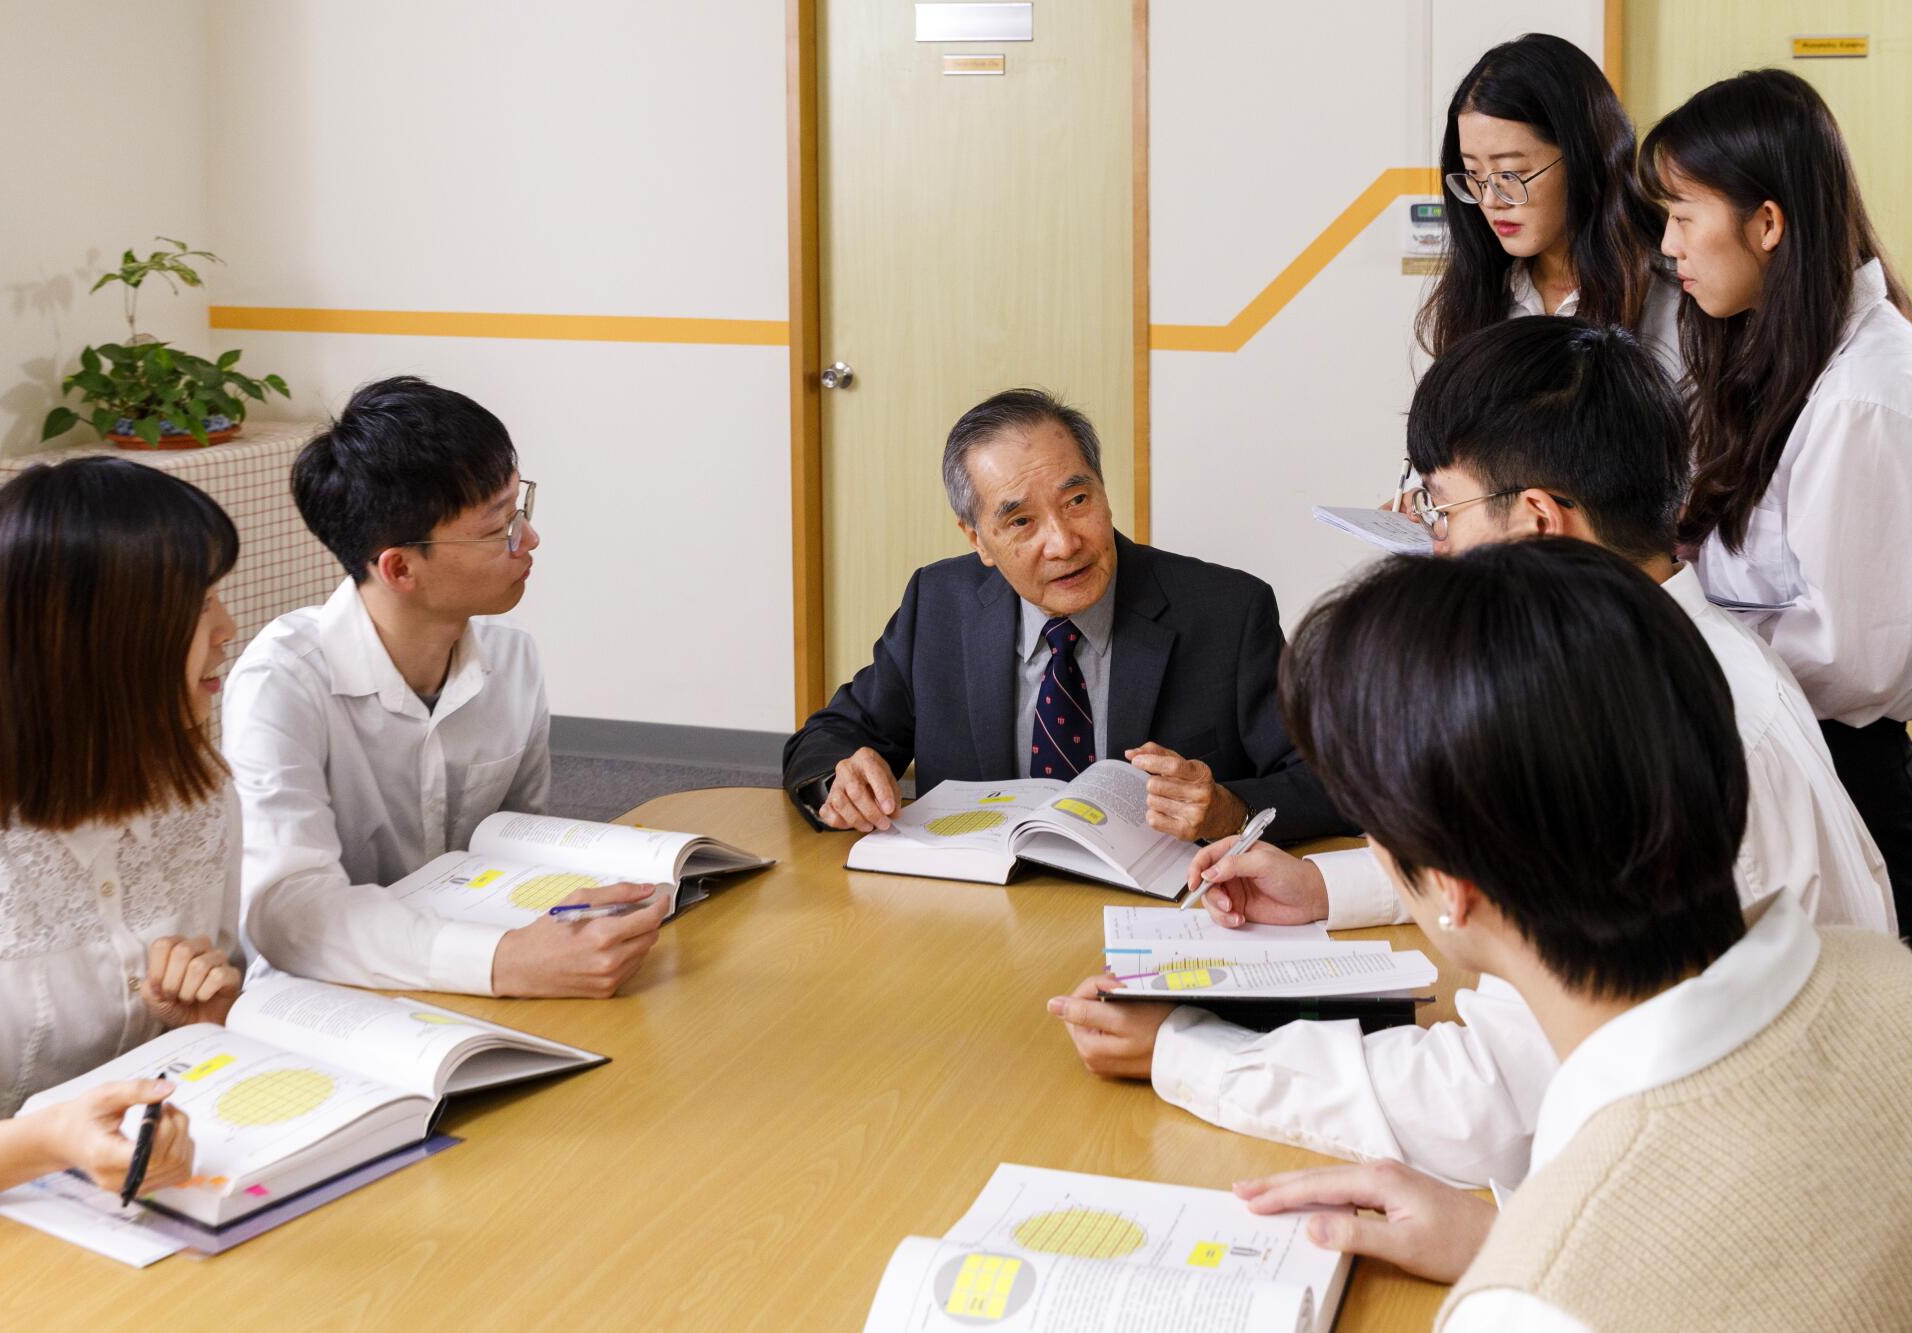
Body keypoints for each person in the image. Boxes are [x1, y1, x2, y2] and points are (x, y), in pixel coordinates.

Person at [1052, 318, 1893, 1192]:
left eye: (1440, 509)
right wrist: (1323, 889)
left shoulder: (1613, 718)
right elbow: (1529, 859)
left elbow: (1486, 1110)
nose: (1434, 544)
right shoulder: (1691, 648)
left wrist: (1186, 1052)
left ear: (1537, 521)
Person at [1225, 545, 1912, 1328]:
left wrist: (1532, 1263)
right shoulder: (1885, 973)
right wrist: (1506, 1232)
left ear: (1452, 888)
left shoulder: (1538, 1303)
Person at [223, 377, 664, 998]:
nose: (528, 540)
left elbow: (517, 839)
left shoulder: (512, 659)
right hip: (332, 995)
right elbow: (288, 913)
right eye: (497, 529)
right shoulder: (282, 683)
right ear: (399, 567)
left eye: (521, 510)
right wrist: (500, 960)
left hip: (496, 965)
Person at [783, 388, 1347, 843]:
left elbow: (1332, 784)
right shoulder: (939, 603)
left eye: (1078, 501)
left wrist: (1230, 811)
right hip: (976, 917)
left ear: (1103, 490)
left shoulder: (1227, 611)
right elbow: (827, 737)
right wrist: (841, 778)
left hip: (1154, 914)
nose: (1063, 543)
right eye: (1021, 522)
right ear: (978, 538)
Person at [0, 458, 243, 1218]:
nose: (227, 628)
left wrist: (207, 1017)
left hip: (147, 1219)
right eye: (200, 604)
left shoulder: (201, 795)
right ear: (102, 639)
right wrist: (47, 1140)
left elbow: (198, 1031)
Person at [1641, 69, 1912, 929]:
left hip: (1837, 765)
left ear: (1767, 224)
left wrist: (1675, 633)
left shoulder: (1866, 394)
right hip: (1771, 741)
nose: (1669, 247)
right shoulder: (1779, 349)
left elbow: (1853, 655)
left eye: (1684, 217)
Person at [1394, 32, 1679, 505]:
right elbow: (1446, 457)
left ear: (1588, 156)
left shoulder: (1675, 291)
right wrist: (1420, 498)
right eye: (1473, 175)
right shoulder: (1482, 294)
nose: (1490, 200)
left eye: (1510, 174)